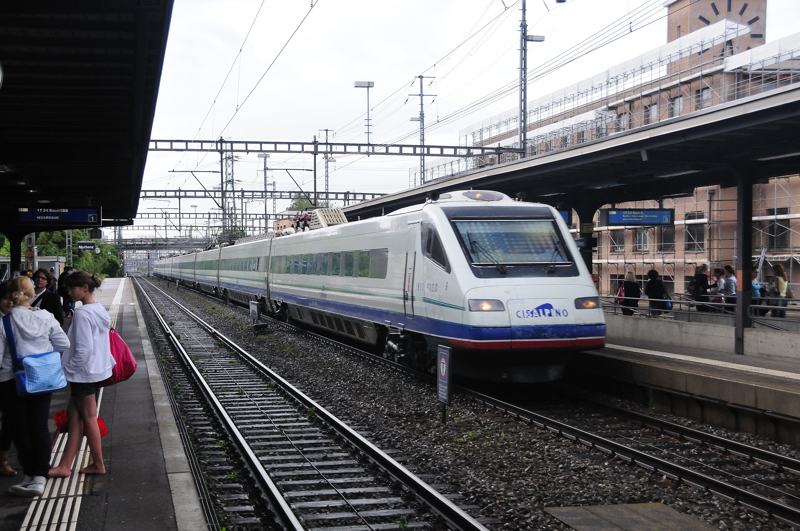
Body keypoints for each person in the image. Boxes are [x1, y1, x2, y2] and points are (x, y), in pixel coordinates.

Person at [0, 277, 70, 496]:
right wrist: (41, 352)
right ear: (32, 295)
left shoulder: (4, 322)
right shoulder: (45, 316)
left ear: (10, 295)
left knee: (21, 428)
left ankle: (29, 476)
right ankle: (40, 476)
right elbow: (63, 344)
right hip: (42, 379)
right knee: (40, 427)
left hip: (13, 382)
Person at [49, 272, 115, 479]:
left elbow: (84, 350)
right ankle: (65, 465)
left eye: (72, 288)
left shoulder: (83, 314)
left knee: (88, 417)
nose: (68, 292)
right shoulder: (98, 310)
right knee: (75, 417)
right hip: (95, 372)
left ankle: (98, 464)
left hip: (84, 374)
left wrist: (67, 370)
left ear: (84, 287)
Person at [0, 282, 16, 477]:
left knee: (10, 421)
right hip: (4, 380)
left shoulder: (12, 319)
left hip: (10, 378)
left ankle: (3, 459)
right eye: (6, 298)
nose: (10, 302)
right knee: (10, 420)